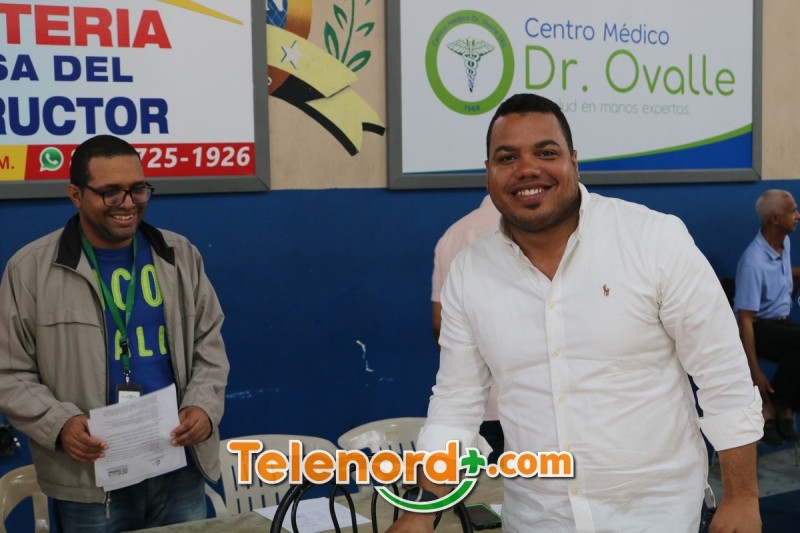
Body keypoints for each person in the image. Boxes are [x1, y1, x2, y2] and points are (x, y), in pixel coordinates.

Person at [388, 93, 762, 533]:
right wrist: (420, 512)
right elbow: (457, 401)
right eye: (507, 157)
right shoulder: (470, 272)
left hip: (658, 516)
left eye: (546, 152)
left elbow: (723, 374)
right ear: (488, 171)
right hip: (537, 519)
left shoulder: (653, 240)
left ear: (574, 162)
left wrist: (742, 496)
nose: (527, 169)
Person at [0, 135, 230, 532]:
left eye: (138, 189)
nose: (128, 203)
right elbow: (9, 372)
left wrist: (204, 407)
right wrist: (59, 424)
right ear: (76, 194)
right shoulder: (30, 270)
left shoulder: (179, 255)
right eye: (110, 192)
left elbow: (208, 345)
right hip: (89, 477)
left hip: (177, 462)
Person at [431, 195, 504, 463]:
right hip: (536, 406)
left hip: (475, 405)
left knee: (484, 483)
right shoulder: (544, 232)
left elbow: (439, 323)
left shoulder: (453, 234)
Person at [733, 189, 800, 446]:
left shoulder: (784, 244)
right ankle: (772, 407)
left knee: (796, 351)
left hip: (780, 324)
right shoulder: (753, 262)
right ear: (775, 219)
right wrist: (755, 372)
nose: (798, 215)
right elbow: (745, 320)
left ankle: (783, 406)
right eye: (792, 211)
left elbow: (781, 273)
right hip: (759, 328)